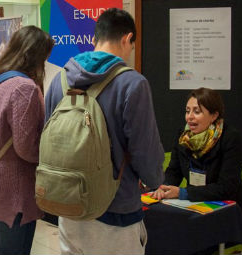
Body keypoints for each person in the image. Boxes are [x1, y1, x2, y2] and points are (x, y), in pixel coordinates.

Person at [45, 8, 164, 255]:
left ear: (94, 39)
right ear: (126, 39)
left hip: (69, 206)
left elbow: (45, 139)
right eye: (132, 46)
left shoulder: (60, 81)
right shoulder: (133, 84)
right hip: (116, 211)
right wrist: (156, 181)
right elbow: (145, 151)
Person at [0, 25, 54, 255]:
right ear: (36, 55)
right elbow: (25, 148)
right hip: (14, 191)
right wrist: (51, 156)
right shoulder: (23, 88)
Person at [151, 88, 242, 224]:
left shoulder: (231, 138)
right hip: (195, 206)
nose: (189, 117)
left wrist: (182, 193)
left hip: (227, 212)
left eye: (197, 111)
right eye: (187, 111)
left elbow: (227, 187)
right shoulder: (184, 136)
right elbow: (174, 171)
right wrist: (164, 187)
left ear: (214, 115)